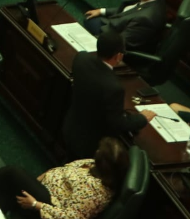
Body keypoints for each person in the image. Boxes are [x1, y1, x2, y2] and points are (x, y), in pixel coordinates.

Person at [0, 137, 130, 219]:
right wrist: (34, 181)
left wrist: (35, 205)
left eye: (99, 151)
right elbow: (62, 170)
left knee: (12, 172)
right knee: (6, 190)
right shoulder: (91, 164)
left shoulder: (95, 191)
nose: (96, 151)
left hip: (47, 208)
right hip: (43, 190)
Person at [61, 31, 153, 159]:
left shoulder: (81, 58)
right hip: (88, 143)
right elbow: (118, 123)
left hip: (70, 126)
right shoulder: (113, 88)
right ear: (118, 56)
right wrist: (142, 118)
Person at [84, 0, 166, 51]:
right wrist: (102, 11)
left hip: (115, 38)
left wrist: (92, 42)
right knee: (89, 19)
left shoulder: (146, 19)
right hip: (117, 25)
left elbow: (121, 43)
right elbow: (129, 10)